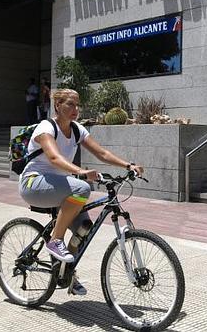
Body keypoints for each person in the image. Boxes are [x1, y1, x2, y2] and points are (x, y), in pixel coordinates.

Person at [18, 88, 143, 295]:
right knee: (82, 188)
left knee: (84, 228)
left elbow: (102, 153)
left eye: (77, 105)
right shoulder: (45, 128)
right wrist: (81, 172)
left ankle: (66, 272)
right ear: (57, 105)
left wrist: (128, 165)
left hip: (59, 185)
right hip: (33, 184)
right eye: (70, 104)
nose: (76, 109)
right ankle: (56, 241)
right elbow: (54, 158)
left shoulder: (77, 130)